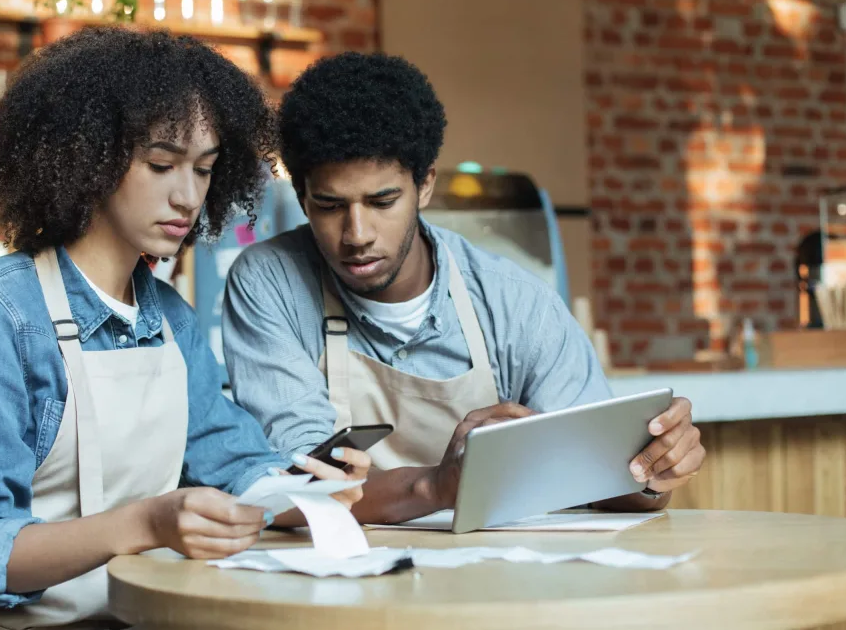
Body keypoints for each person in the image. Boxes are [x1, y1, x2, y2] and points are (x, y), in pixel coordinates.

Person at [0, 28, 369, 630]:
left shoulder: (171, 320)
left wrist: (306, 492)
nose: (188, 195)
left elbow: (236, 466)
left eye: (204, 170)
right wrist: (147, 524)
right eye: (162, 164)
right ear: (86, 157)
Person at [221, 52, 704, 525]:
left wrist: (653, 471)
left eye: (383, 201)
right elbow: (303, 485)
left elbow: (599, 475)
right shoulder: (270, 283)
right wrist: (437, 485)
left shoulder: (514, 302)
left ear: (424, 185)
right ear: (302, 197)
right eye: (329, 206)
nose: (357, 233)